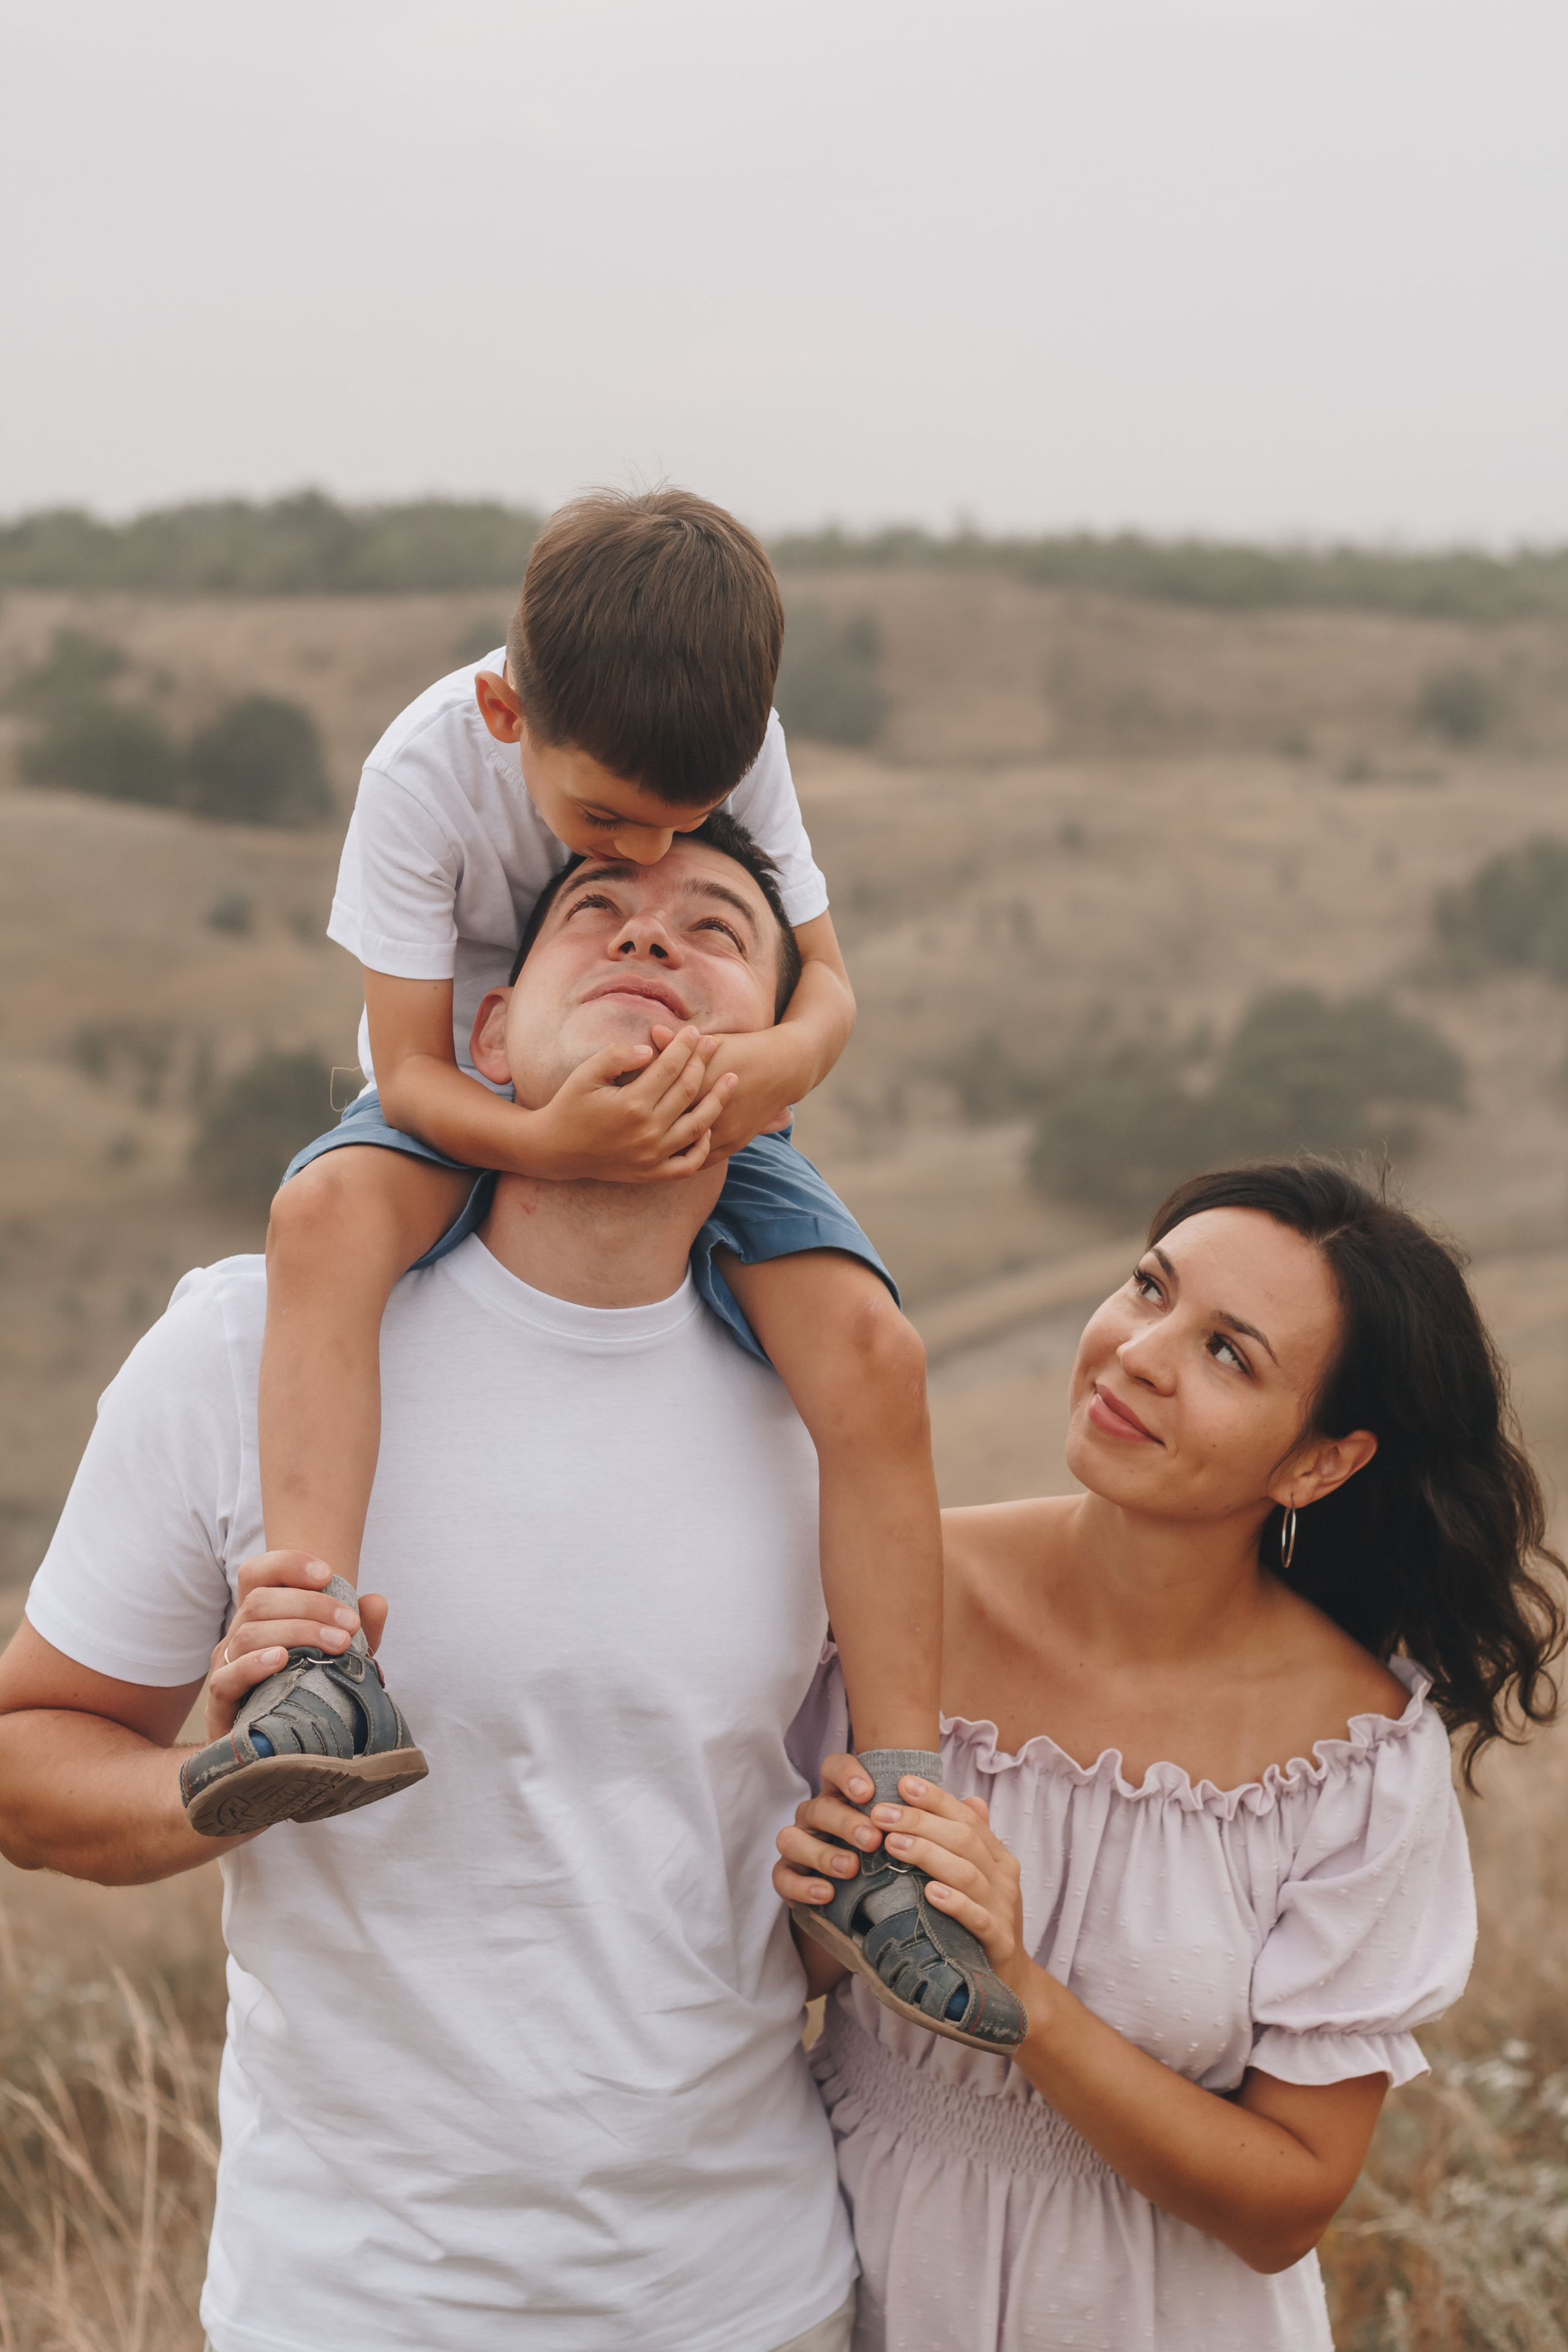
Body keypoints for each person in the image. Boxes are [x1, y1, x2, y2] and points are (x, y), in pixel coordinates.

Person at [0, 821, 870, 2352]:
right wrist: (216, 1777)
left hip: (746, 2298)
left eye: (719, 926)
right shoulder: (246, 1349)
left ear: (781, 1067)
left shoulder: (830, 1415)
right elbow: (25, 1766)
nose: (651, 941)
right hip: (352, 2305)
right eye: (595, 910)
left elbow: (790, 1856)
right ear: (485, 1030)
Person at [216, 484, 988, 2039]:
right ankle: (314, 1659)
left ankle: (893, 1827)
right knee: (322, 1219)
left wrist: (767, 1079)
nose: (655, 848)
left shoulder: (726, 744)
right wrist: (549, 1140)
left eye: (690, 827)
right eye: (610, 827)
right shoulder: (425, 771)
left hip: (707, 1095)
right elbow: (414, 1071)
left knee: (873, 1355)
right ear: (509, 714)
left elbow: (826, 990)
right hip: (493, 1089)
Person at [777, 1159, 1565, 2351]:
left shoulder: (1351, 1760)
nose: (1141, 1353)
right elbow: (719, 1976)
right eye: (1149, 1289)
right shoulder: (883, 1590)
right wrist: (818, 1924)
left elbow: (1286, 2204)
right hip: (826, 2277)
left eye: (1227, 1353)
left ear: (1316, 1463)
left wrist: (1020, 1999)